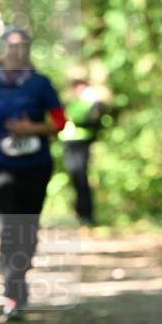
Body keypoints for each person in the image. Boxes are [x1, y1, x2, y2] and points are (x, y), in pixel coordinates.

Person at [0, 27, 66, 320]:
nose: (17, 52)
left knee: (29, 229)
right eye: (11, 46)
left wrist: (31, 129)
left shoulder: (40, 84)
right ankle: (13, 293)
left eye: (22, 46)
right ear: (2, 50)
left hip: (35, 166)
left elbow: (59, 122)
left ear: (28, 50)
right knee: (9, 227)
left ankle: (20, 277)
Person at [59, 75, 107, 226]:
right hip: (68, 143)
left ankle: (87, 215)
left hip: (82, 143)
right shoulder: (73, 102)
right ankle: (79, 214)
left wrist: (76, 121)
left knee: (81, 179)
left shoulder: (93, 101)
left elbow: (94, 121)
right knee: (74, 178)